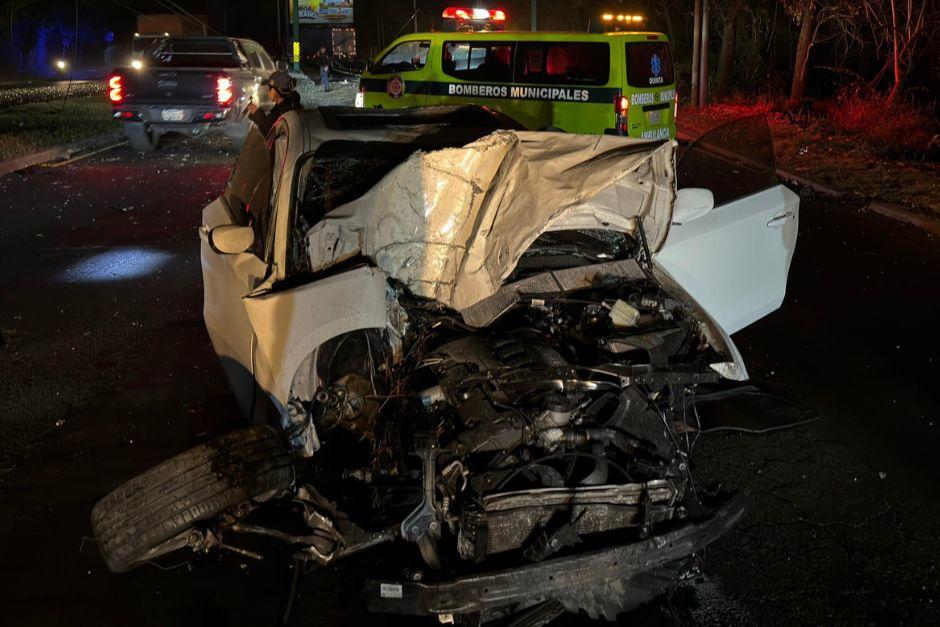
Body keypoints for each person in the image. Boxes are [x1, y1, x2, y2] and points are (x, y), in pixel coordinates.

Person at [246, 70, 302, 137]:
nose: (268, 92)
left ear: (276, 90)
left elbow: (270, 134)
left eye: (269, 88)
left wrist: (257, 113)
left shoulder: (286, 112)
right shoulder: (288, 104)